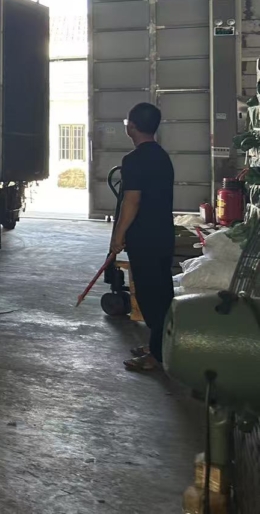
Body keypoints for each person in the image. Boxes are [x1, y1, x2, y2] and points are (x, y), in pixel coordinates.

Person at [109, 102, 175, 373]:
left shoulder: (134, 160)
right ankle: (160, 346)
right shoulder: (162, 156)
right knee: (162, 292)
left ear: (131, 127)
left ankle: (157, 357)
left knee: (150, 297)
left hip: (144, 238)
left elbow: (131, 203)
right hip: (163, 235)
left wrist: (118, 236)